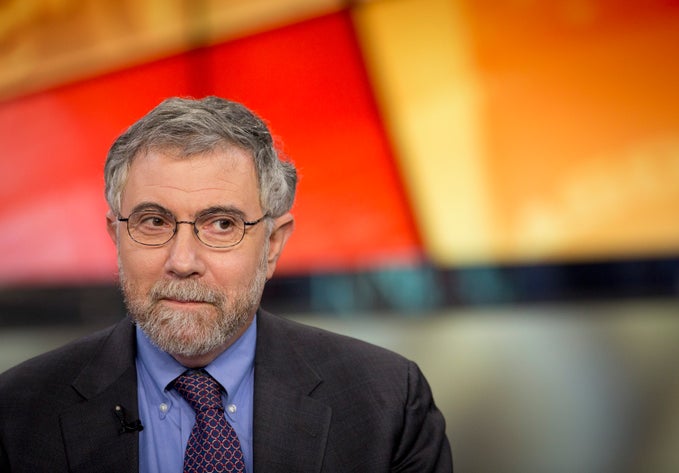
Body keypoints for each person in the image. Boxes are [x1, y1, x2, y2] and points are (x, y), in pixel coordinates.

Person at [0, 96, 452, 472]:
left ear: (272, 244)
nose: (182, 262)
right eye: (153, 222)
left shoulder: (388, 403)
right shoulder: (15, 411)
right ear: (115, 236)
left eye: (220, 224)